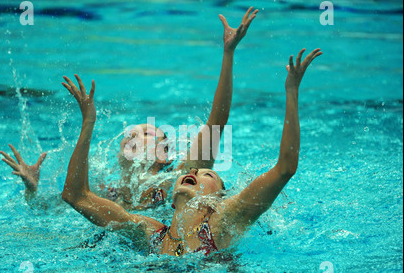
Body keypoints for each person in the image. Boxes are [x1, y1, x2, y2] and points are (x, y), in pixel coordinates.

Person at [61, 48, 323, 256]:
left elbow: (285, 168)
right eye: (195, 170)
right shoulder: (150, 231)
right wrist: (88, 123)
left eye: (207, 174)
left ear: (218, 199)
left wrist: (291, 91)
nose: (195, 170)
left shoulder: (224, 221)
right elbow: (76, 196)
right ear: (172, 201)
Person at [0, 7, 259, 211]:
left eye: (145, 134)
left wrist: (228, 53)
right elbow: (55, 207)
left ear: (163, 155)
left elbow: (216, 124)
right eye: (131, 134)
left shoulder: (176, 184)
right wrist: (32, 191)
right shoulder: (107, 192)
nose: (132, 137)